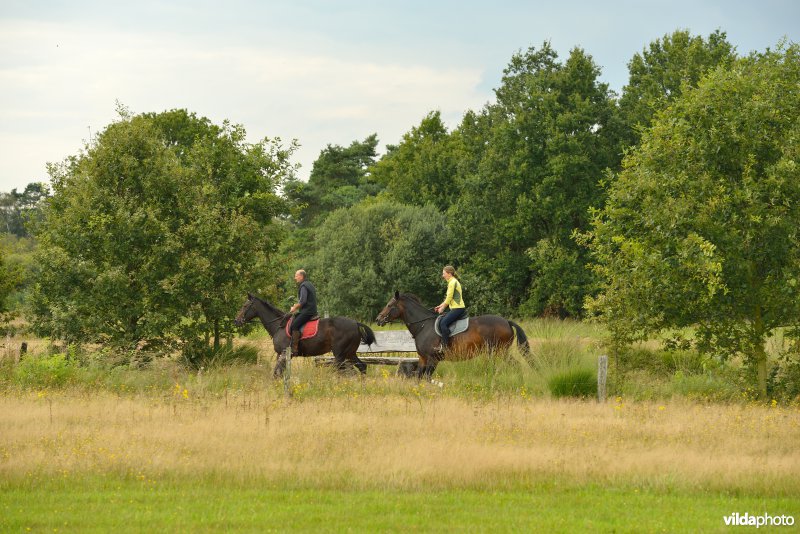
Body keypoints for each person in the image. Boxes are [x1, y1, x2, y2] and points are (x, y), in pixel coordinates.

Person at [434, 265, 466, 354]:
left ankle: (445, 347)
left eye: (444, 273)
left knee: (443, 323)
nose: (443, 275)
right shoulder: (452, 282)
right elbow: (448, 298)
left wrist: (443, 307)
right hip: (455, 308)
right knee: (443, 320)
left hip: (458, 308)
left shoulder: (452, 282)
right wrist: (440, 306)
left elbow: (449, 298)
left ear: (449, 273)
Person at [288, 269, 318, 356]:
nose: (295, 278)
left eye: (296, 276)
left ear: (301, 276)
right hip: (311, 310)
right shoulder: (310, 284)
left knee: (294, 325)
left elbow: (303, 301)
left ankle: (294, 349)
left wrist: (294, 308)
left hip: (307, 311)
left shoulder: (303, 286)